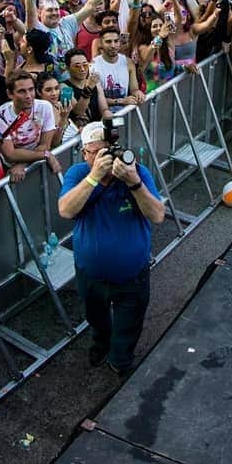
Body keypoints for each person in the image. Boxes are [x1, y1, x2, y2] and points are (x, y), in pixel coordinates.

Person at [58, 121, 165, 374]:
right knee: (96, 318)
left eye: (108, 150)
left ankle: (120, 359)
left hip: (131, 275)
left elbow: (158, 215)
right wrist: (95, 177)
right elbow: (65, 209)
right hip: (90, 274)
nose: (104, 157)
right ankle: (100, 343)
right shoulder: (78, 173)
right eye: (96, 152)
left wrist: (134, 181)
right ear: (85, 154)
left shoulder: (137, 171)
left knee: (129, 323)